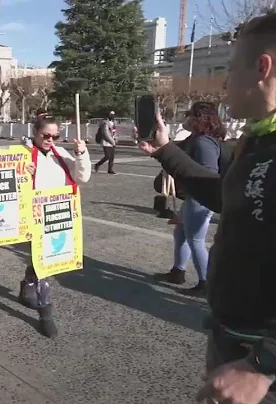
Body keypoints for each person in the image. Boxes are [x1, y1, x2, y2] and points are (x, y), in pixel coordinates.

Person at [140, 13, 276, 404]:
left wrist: (262, 365)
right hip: (232, 339)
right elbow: (225, 196)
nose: (224, 81)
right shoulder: (256, 141)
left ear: (262, 69)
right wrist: (165, 150)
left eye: (231, 68)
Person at [19, 117, 91, 338]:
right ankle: (45, 312)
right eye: (46, 135)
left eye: (55, 136)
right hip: (33, 217)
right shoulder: (22, 153)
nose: (50, 140)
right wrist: (22, 173)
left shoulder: (61, 154)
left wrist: (81, 154)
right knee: (44, 265)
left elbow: (82, 177)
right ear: (36, 132)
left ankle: (27, 284)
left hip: (58, 217)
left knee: (45, 262)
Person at [154, 102, 225, 295]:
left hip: (200, 199)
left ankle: (206, 283)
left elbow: (208, 174)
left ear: (198, 118)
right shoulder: (194, 138)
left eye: (189, 115)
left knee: (196, 239)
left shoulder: (203, 141)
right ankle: (178, 271)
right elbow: (173, 149)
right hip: (193, 197)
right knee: (181, 233)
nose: (185, 118)